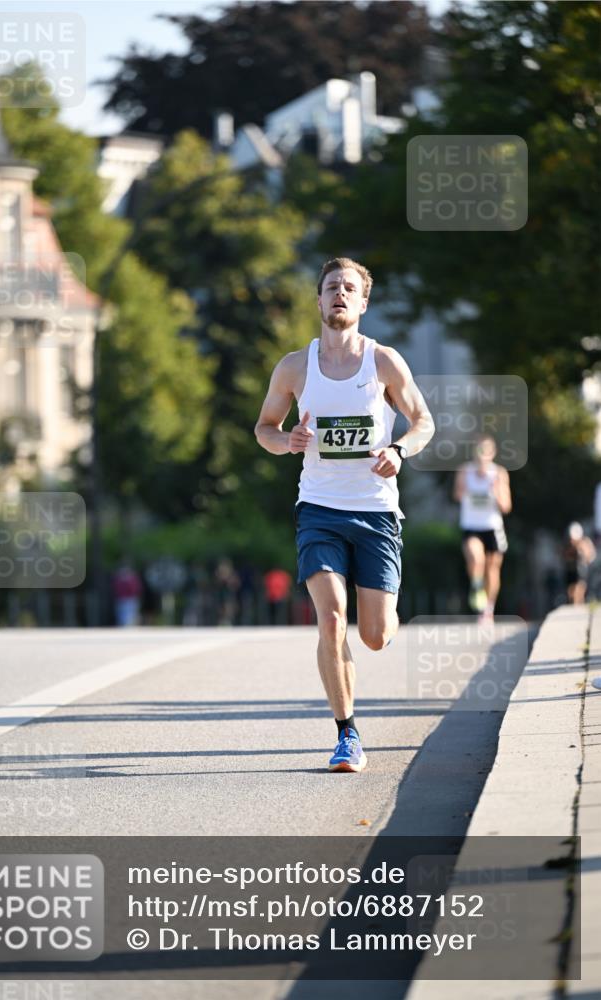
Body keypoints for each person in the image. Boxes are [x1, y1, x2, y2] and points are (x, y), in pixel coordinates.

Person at [255, 257, 434, 773]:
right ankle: (347, 734)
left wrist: (399, 450)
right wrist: (286, 441)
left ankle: (388, 610)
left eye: (349, 288)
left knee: (375, 634)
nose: (339, 293)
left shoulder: (384, 363)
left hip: (376, 512)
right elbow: (264, 428)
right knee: (332, 619)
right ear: (318, 300)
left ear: (362, 303)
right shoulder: (294, 366)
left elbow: (422, 421)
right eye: (331, 286)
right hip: (319, 509)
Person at [453, 435, 511, 622]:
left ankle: (488, 608)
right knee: (475, 557)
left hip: (492, 527)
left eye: (486, 451)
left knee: (492, 570)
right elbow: (457, 495)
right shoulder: (465, 471)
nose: (482, 455)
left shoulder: (499, 473)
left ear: (492, 453)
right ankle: (477, 587)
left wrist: (495, 490)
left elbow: (506, 506)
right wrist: (471, 484)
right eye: (479, 450)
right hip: (472, 526)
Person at [562, 522, 595, 605]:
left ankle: (578, 602)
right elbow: (564, 555)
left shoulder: (584, 542)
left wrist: (582, 554)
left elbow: (590, 555)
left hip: (581, 568)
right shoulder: (568, 544)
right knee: (572, 588)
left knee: (580, 586)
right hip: (572, 569)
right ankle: (573, 602)